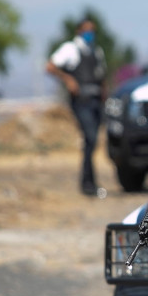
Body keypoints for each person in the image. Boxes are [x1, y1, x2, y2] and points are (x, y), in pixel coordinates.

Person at [46, 18, 107, 196]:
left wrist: (105, 95)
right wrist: (68, 79)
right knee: (90, 138)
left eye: (93, 30)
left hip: (96, 101)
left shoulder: (96, 51)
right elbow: (50, 66)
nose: (90, 34)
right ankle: (88, 184)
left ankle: (89, 183)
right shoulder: (70, 49)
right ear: (79, 31)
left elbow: (101, 76)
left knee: (92, 142)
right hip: (82, 101)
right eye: (87, 30)